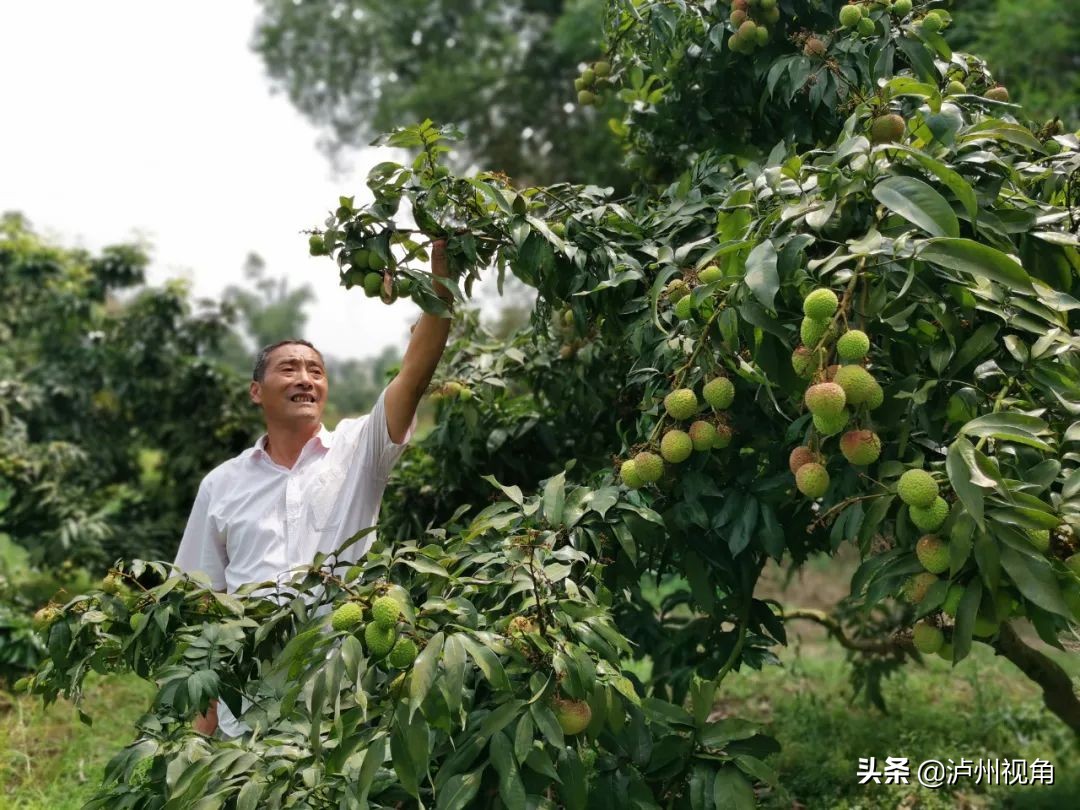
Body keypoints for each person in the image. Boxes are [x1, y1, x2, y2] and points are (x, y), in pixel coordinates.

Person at [173, 239, 452, 738]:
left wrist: (440, 268)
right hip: (249, 715)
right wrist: (200, 733)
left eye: (315, 371)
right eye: (289, 368)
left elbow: (416, 369)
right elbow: (205, 609)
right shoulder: (222, 485)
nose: (305, 378)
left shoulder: (359, 450)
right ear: (256, 392)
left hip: (348, 703)